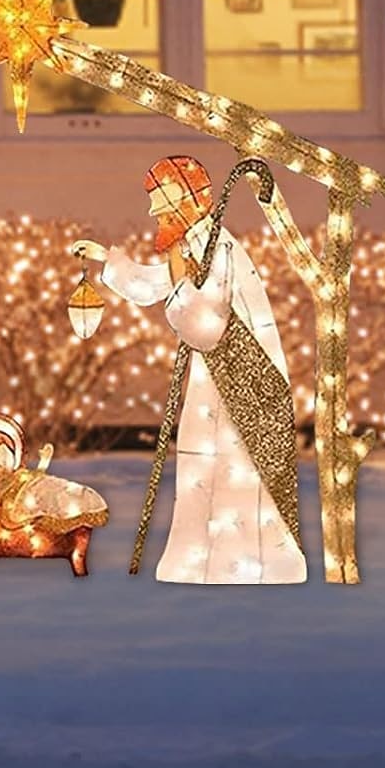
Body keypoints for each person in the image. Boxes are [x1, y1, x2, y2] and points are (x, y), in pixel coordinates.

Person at [71, 156, 306, 585]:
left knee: (232, 469)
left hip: (240, 380)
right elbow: (158, 282)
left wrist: (181, 286)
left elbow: (206, 323)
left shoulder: (218, 247)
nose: (151, 211)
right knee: (206, 470)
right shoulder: (194, 244)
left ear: (183, 196)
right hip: (215, 378)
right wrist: (109, 260)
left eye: (158, 199)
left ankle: (237, 563)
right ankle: (204, 559)